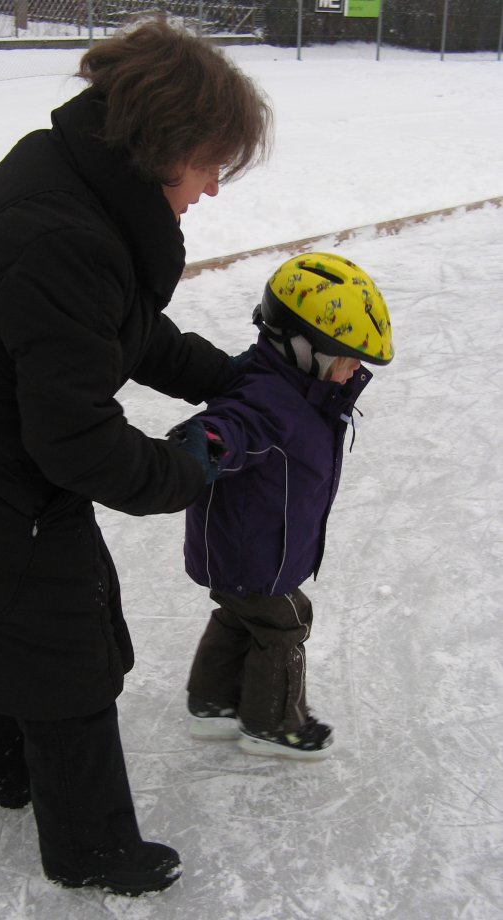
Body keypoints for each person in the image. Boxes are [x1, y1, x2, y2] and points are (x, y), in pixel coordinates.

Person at [0, 18, 271, 897]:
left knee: (28, 626)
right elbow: (79, 443)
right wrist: (197, 458)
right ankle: (89, 847)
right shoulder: (65, 234)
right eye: (211, 164)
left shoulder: (76, 184)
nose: (211, 189)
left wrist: (226, 377)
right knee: (65, 653)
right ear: (165, 140)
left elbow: (109, 327)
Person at [169, 252, 394, 761]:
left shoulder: (302, 391)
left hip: (249, 548)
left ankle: (210, 701)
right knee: (286, 622)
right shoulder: (271, 401)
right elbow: (234, 427)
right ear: (304, 348)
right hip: (255, 553)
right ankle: (272, 724)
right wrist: (203, 444)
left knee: (239, 615)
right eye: (347, 357)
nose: (355, 369)